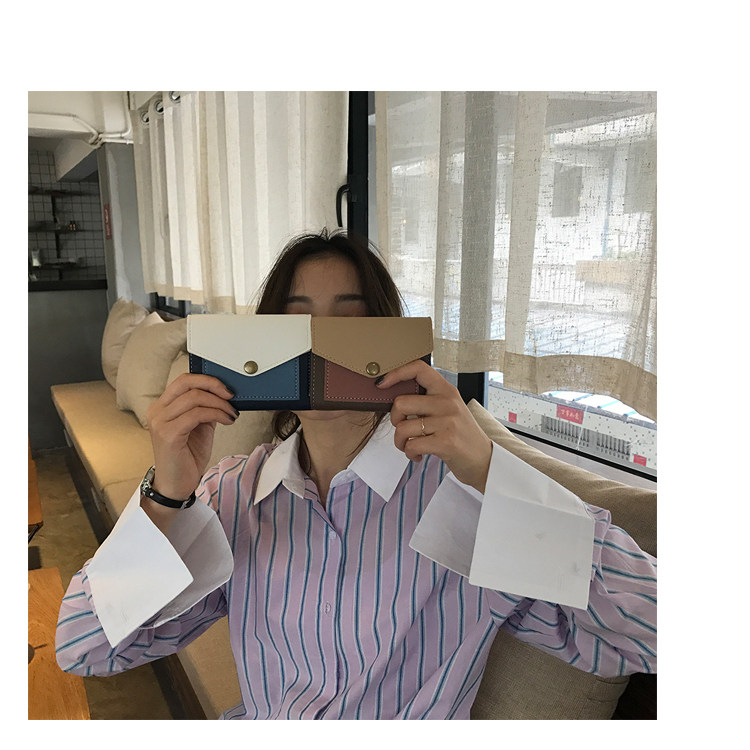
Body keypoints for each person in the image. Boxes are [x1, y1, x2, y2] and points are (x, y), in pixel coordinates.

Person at [55, 229, 657, 720]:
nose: (320, 347)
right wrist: (166, 495)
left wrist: (488, 469)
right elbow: (85, 646)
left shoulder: (464, 498)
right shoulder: (233, 494)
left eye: (349, 323)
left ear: (390, 341)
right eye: (295, 324)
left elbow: (650, 628)